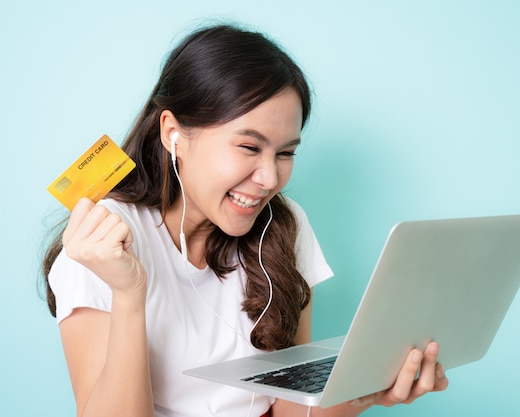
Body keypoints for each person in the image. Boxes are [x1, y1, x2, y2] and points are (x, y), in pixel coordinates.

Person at [41, 23, 448, 417]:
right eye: (250, 146)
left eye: (286, 153)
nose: (270, 179)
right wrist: (129, 293)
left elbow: (290, 411)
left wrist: (368, 391)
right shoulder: (105, 243)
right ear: (173, 134)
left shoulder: (283, 226)